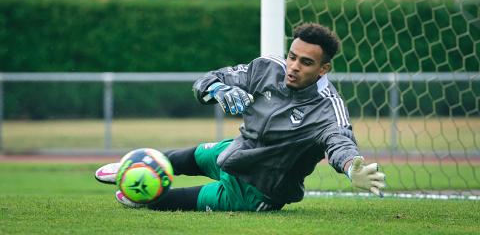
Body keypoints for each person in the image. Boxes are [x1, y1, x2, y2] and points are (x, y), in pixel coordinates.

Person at [95, 23, 386, 212]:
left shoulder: (327, 109)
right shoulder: (267, 69)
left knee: (163, 202)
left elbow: (340, 142)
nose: (293, 67)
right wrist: (218, 88)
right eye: (292, 56)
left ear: (324, 69)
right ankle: (129, 168)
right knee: (182, 157)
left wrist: (350, 167)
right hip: (236, 150)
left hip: (254, 189)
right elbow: (208, 79)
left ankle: (139, 189)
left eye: (306, 62)